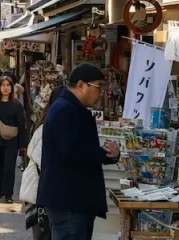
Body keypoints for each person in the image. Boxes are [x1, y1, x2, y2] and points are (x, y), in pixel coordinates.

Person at [37, 64, 120, 240]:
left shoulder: (70, 108)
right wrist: (104, 154)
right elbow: (74, 152)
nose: (100, 94)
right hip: (69, 201)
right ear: (82, 85)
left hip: (74, 199)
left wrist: (109, 155)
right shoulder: (65, 110)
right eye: (98, 87)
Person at [21, 86, 64, 240]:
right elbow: (43, 161)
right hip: (40, 191)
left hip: (40, 190)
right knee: (45, 233)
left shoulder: (47, 124)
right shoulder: (49, 128)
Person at [0, 76, 27, 204]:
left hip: (12, 140)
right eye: (3, 85)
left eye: (8, 85)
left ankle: (8, 193)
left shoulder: (17, 105)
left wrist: (23, 144)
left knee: (9, 166)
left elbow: (22, 125)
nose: (5, 87)